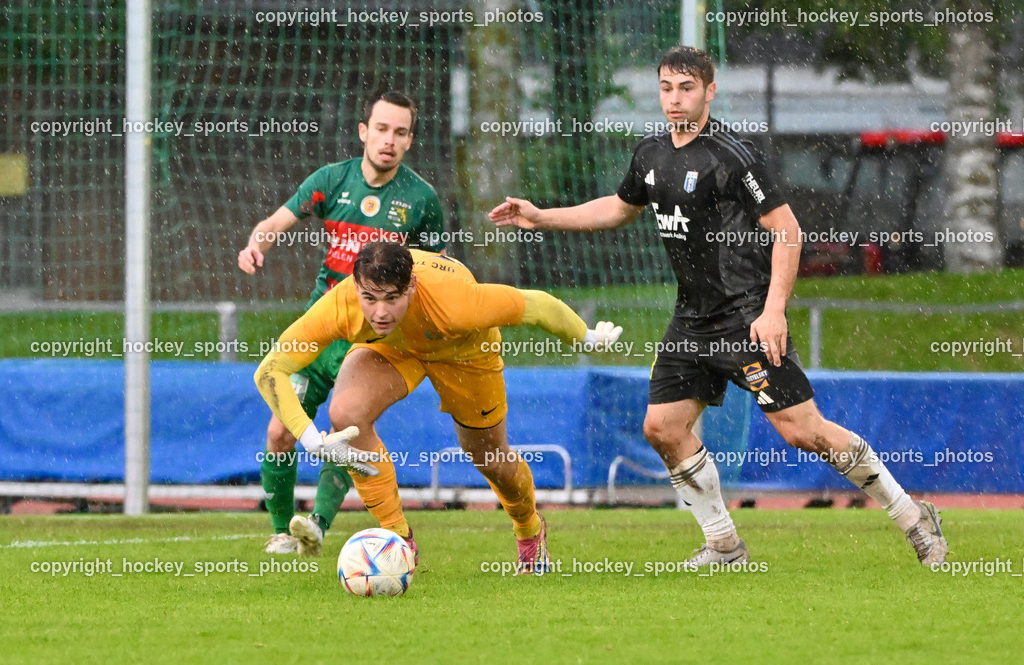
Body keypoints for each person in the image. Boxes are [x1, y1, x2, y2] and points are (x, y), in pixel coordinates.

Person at [488, 45, 947, 568]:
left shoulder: (734, 154)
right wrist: (541, 216)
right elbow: (618, 209)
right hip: (691, 320)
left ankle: (912, 515)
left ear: (710, 90)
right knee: (661, 427)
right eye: (666, 88)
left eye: (686, 88)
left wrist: (773, 310)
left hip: (746, 317)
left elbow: (788, 232)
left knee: (804, 432)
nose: (674, 99)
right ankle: (724, 545)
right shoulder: (650, 153)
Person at [254, 241, 623, 574]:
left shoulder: (456, 302)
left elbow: (538, 305)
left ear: (411, 286)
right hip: (396, 349)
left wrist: (587, 337)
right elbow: (270, 369)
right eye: (369, 298)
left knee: (489, 457)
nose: (379, 312)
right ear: (356, 287)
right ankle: (399, 542)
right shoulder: (343, 302)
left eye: (392, 298)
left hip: (465, 355)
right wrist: (308, 435)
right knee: (346, 414)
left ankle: (529, 527)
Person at [238, 90, 446, 556]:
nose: (388, 140)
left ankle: (316, 524)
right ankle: (280, 532)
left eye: (400, 132)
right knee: (279, 431)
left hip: (372, 337)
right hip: (323, 327)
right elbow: (276, 221)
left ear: (410, 141)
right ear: (363, 131)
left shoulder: (421, 200)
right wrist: (257, 246)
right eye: (381, 129)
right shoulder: (332, 181)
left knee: (347, 423)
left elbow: (438, 270)